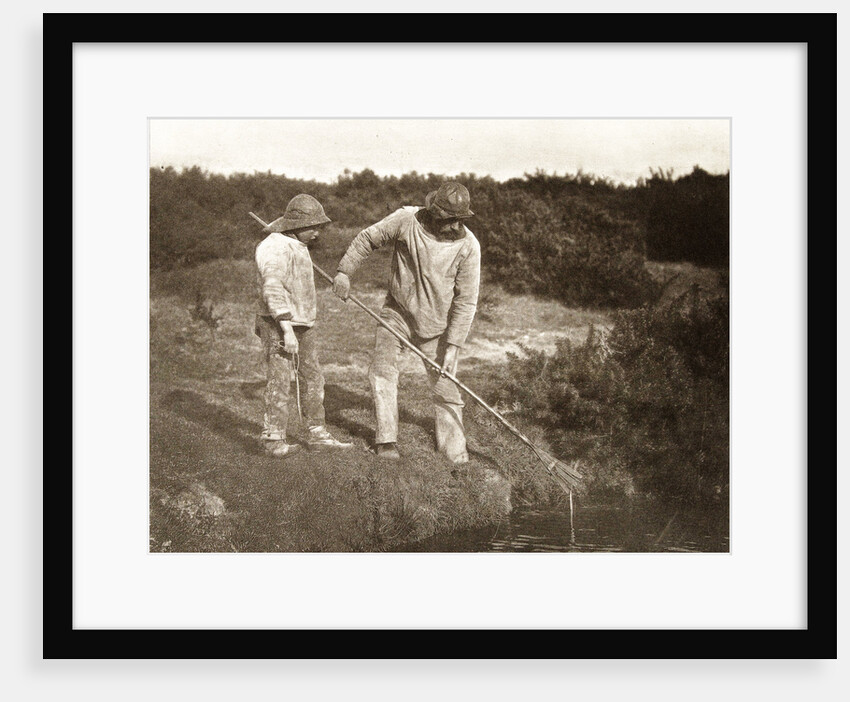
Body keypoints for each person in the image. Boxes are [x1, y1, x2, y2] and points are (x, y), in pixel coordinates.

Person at [332, 181, 481, 464]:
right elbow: (367, 238)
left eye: (458, 220)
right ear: (433, 212)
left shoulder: (469, 247)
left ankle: (454, 453)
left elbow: (466, 300)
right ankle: (386, 441)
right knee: (383, 370)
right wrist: (344, 272)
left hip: (438, 326)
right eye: (447, 219)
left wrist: (454, 346)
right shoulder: (406, 220)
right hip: (397, 313)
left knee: (446, 387)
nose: (452, 226)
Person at [254, 194, 353, 457]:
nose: (318, 233)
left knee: (312, 377)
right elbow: (272, 288)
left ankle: (316, 432)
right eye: (314, 227)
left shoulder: (297, 246)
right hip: (278, 323)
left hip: (303, 323)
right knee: (279, 377)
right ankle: (273, 439)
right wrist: (286, 330)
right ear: (296, 226)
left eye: (320, 226)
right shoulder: (273, 247)